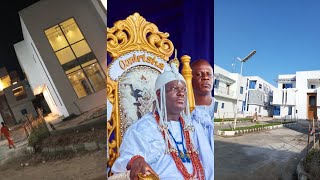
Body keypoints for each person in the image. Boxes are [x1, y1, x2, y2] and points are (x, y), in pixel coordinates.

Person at [111, 64, 214, 179]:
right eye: (174, 88)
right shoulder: (143, 128)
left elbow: (209, 164)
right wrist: (136, 160)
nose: (181, 93)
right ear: (159, 94)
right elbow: (127, 159)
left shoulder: (194, 126)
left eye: (184, 90)